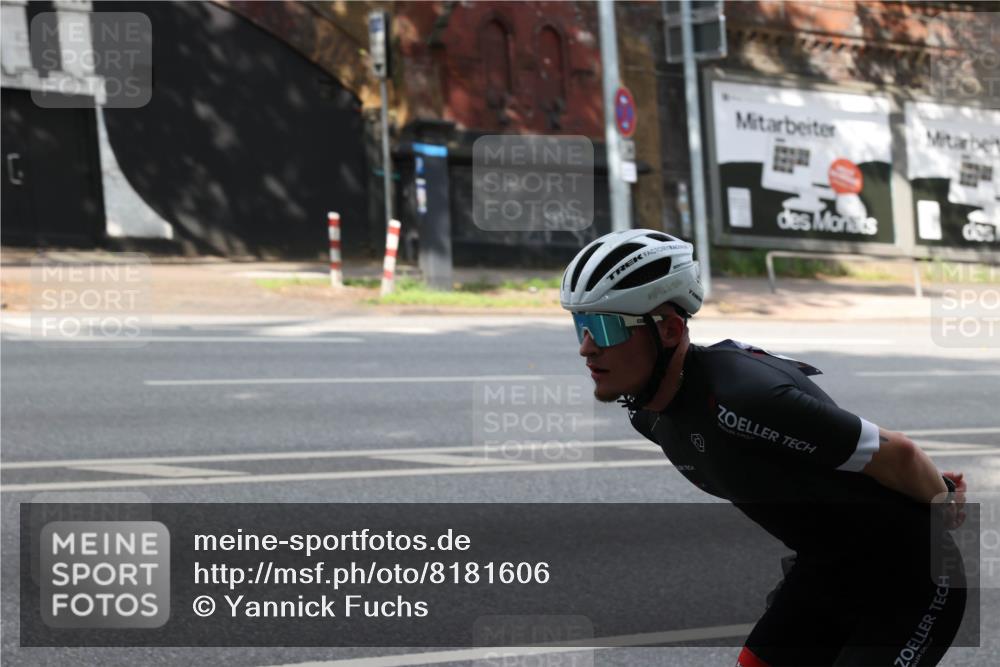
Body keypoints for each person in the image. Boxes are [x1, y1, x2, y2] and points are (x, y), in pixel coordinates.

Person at [560, 229, 968, 667]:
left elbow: (897, 453)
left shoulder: (742, 397)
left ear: (671, 329)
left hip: (911, 578)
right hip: (828, 570)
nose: (587, 347)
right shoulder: (649, 415)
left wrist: (942, 496)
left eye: (605, 327)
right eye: (582, 325)